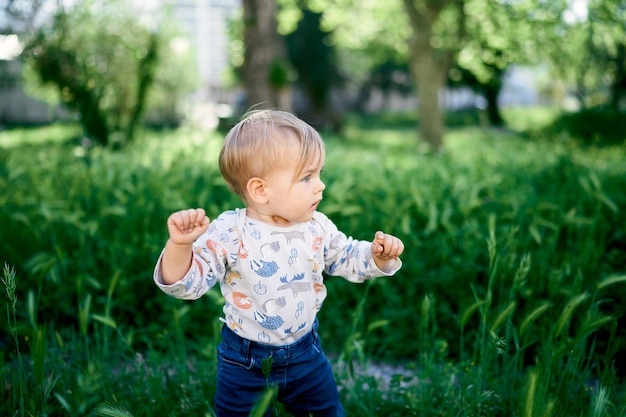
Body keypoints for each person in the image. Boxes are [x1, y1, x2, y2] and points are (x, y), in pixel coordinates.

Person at [153, 109, 404, 417]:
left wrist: (376, 256)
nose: (320, 185)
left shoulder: (317, 226)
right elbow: (189, 286)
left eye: (320, 174)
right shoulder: (231, 232)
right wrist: (180, 247)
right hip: (244, 362)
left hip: (305, 355)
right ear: (261, 190)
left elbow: (346, 256)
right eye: (307, 177)